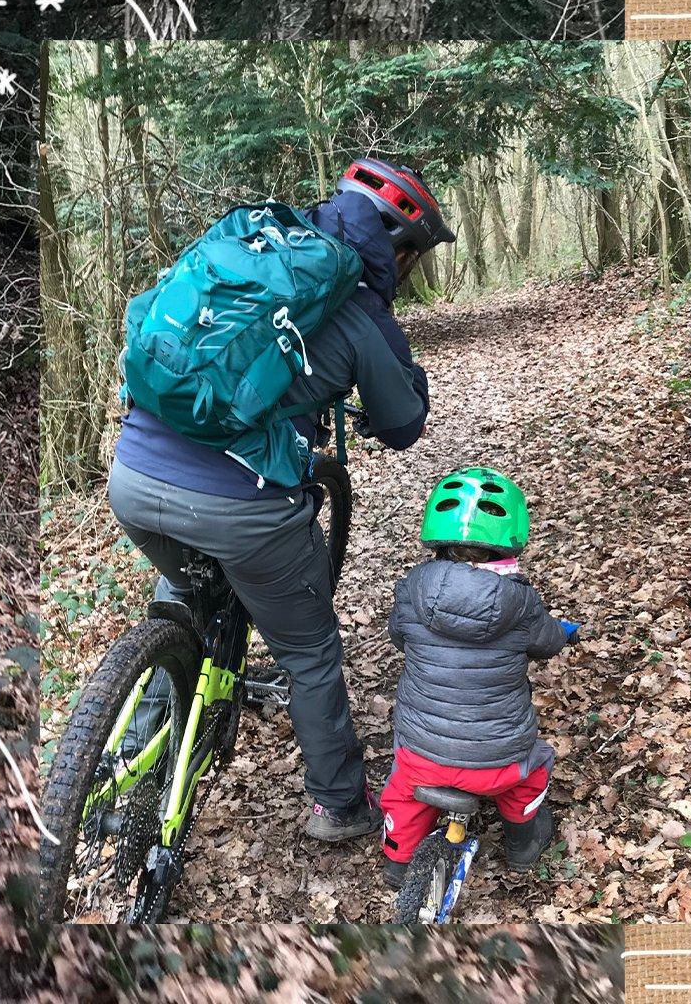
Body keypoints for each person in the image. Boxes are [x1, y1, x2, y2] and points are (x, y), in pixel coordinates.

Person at [107, 157, 451, 841]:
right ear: (397, 248)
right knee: (309, 651)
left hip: (133, 475)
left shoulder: (247, 249)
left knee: (182, 594)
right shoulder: (358, 313)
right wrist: (402, 375)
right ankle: (338, 804)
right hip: (242, 506)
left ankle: (120, 764)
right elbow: (405, 425)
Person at [378, 467, 575, 885]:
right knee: (532, 772)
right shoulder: (521, 603)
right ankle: (523, 844)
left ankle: (398, 862)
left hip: (420, 754)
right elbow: (548, 643)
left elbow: (399, 636)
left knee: (403, 792)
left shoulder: (412, 589)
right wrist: (564, 632)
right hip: (498, 762)